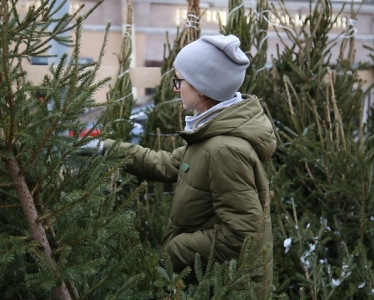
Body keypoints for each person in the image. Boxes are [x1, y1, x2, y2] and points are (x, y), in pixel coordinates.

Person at [92, 34, 276, 297]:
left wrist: (176, 250)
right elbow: (165, 163)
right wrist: (104, 148)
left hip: (223, 289)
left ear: (201, 87)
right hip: (208, 283)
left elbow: (242, 236)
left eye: (179, 80)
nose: (175, 88)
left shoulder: (224, 148)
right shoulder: (211, 135)